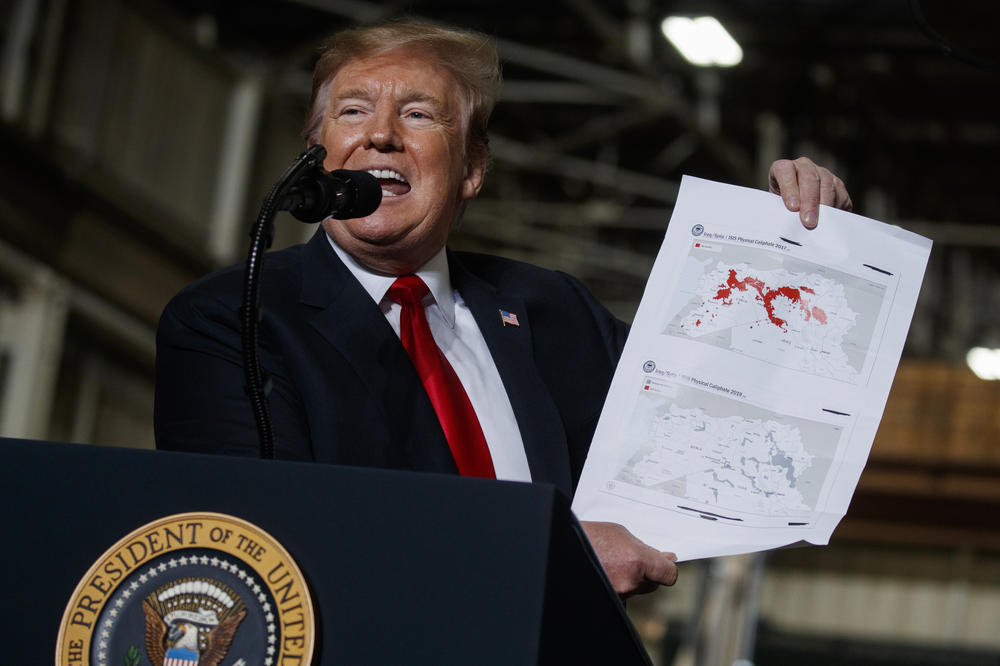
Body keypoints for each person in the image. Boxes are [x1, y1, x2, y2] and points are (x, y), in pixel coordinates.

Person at [154, 21, 852, 598]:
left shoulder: (553, 310)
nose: (382, 135)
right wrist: (558, 553)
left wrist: (792, 251)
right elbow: (248, 544)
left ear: (472, 170)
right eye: (353, 110)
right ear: (315, 157)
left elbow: (713, 423)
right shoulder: (232, 320)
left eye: (419, 114)